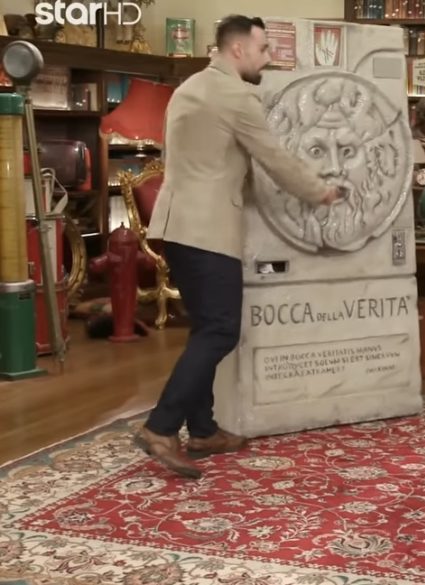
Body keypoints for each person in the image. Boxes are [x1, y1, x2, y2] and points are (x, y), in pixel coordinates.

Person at [137, 15, 340, 478]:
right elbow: (274, 158)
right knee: (221, 330)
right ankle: (161, 427)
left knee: (206, 327)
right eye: (263, 49)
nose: (267, 57)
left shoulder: (189, 87)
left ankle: (203, 429)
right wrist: (321, 191)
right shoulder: (235, 95)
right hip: (208, 228)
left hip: (175, 224)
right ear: (237, 50)